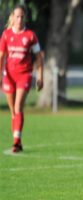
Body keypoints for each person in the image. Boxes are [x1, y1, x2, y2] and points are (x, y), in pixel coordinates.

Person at [0, 4, 43, 153]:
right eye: (17, 16)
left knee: (18, 107)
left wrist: (40, 76)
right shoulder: (6, 35)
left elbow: (38, 57)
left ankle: (17, 142)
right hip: (8, 76)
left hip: (24, 75)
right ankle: (16, 140)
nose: (19, 19)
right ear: (12, 17)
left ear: (25, 18)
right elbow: (1, 56)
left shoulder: (30, 35)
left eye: (22, 16)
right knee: (13, 112)